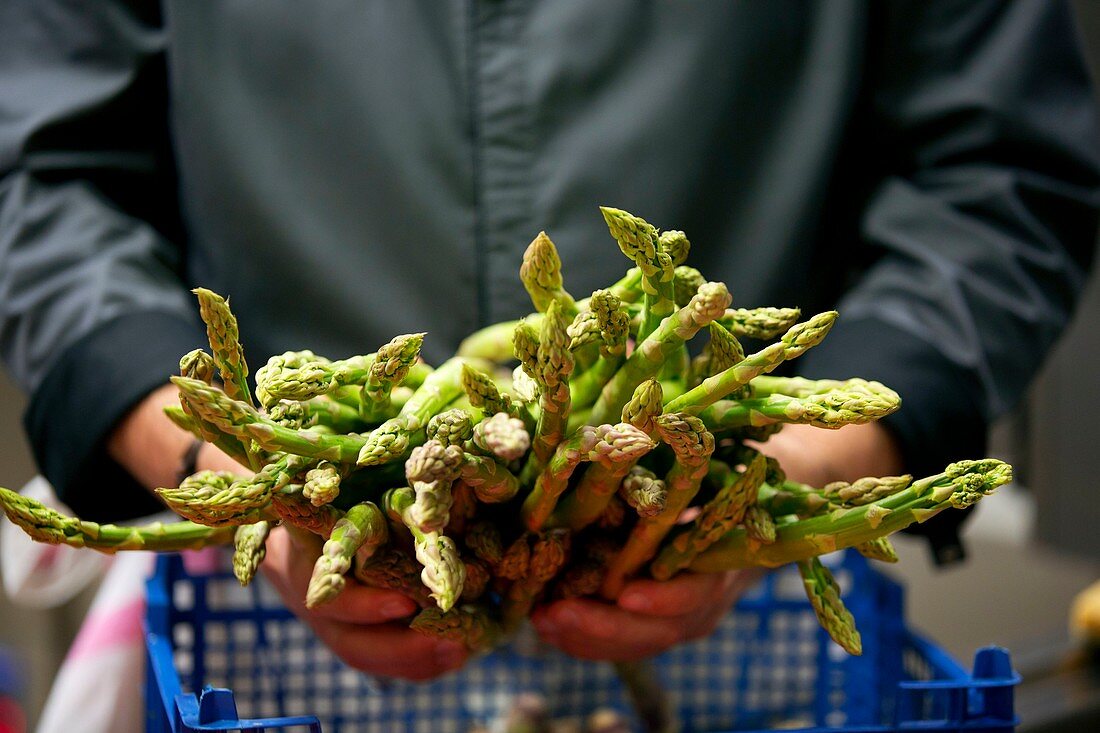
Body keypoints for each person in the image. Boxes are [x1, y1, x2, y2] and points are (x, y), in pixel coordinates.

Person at [1, 0, 1097, 687]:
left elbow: (995, 177)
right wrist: (229, 469)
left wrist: (774, 479)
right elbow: (43, 178)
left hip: (751, 619)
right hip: (264, 634)